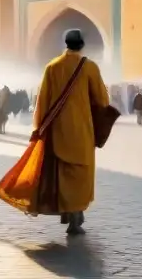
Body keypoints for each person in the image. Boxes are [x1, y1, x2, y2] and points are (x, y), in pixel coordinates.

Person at [33, 28, 110, 236]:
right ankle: (76, 216)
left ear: (65, 44)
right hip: (83, 133)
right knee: (80, 175)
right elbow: (102, 100)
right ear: (82, 45)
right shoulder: (89, 68)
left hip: (59, 133)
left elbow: (42, 102)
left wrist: (39, 128)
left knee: (63, 176)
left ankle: (68, 213)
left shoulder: (52, 67)